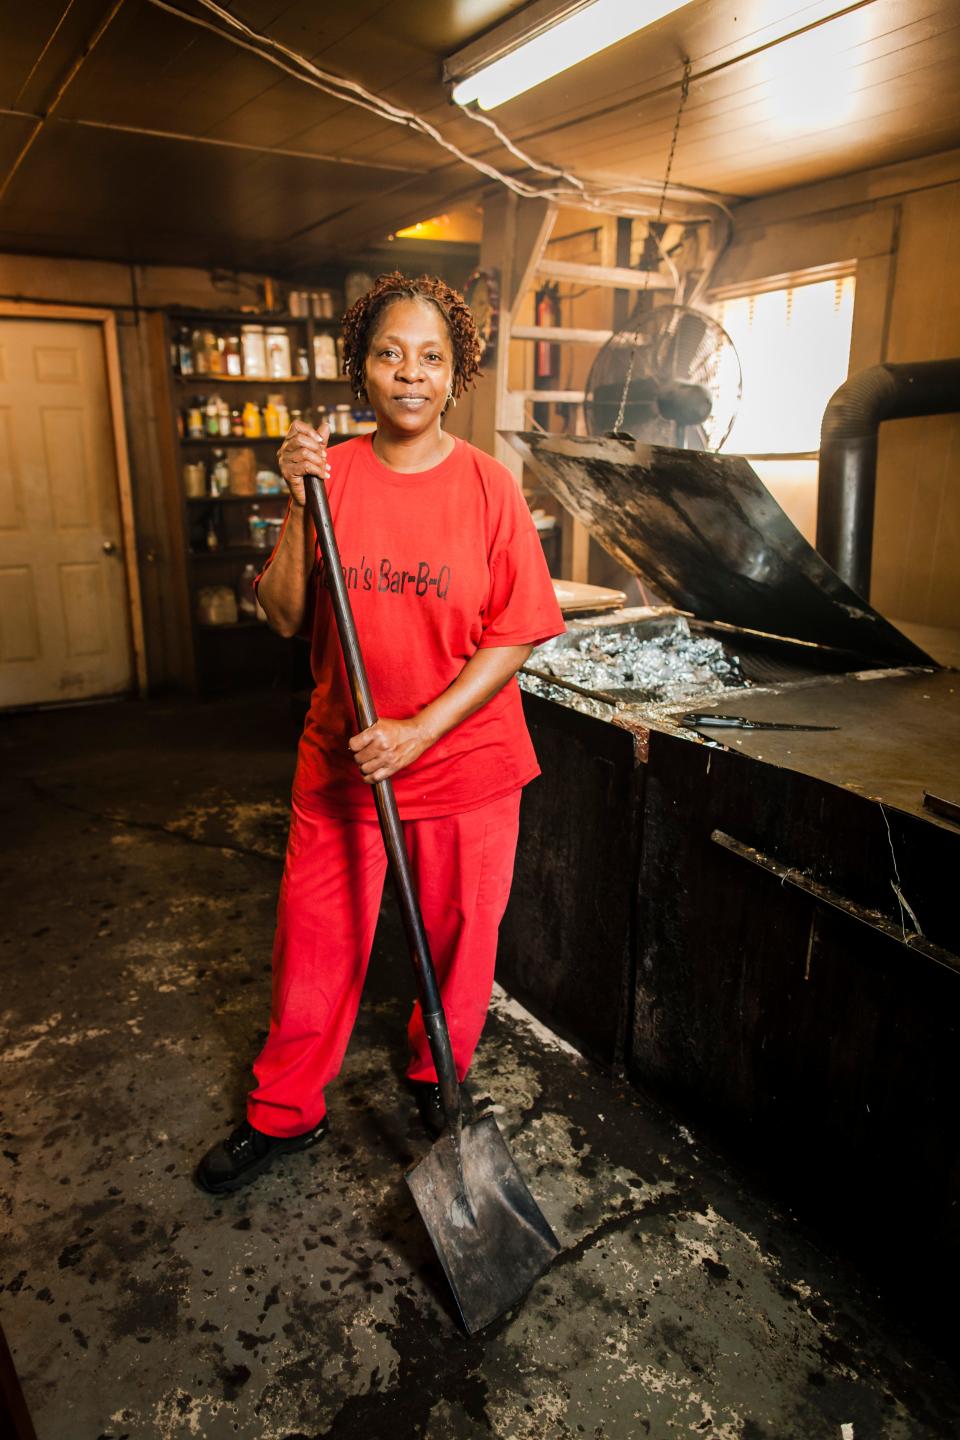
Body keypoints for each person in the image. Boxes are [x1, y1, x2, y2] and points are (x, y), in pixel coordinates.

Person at [196, 272, 565, 1195]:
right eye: (391, 354)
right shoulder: (332, 478)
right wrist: (295, 501)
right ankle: (285, 1113)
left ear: (457, 372)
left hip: (466, 764)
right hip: (343, 762)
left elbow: (515, 632)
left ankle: (439, 1078)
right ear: (361, 369)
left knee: (458, 942)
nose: (412, 374)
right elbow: (283, 617)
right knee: (313, 945)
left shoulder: (488, 488)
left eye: (432, 357)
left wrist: (420, 730)